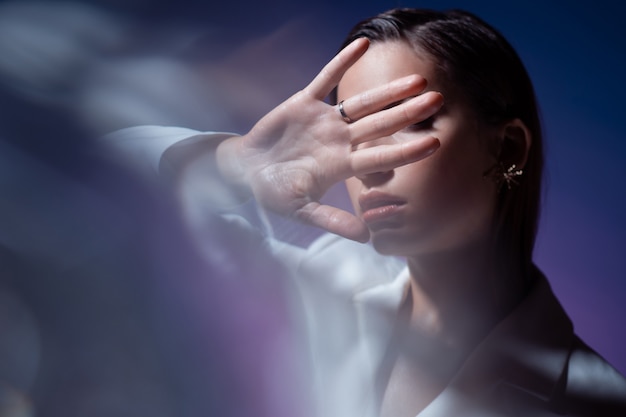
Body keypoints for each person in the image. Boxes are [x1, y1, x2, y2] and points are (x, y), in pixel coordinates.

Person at [105, 8, 626, 417]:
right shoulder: (323, 280)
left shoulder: (594, 403)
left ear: (508, 149)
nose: (367, 167)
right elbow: (96, 163)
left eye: (407, 123)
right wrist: (237, 163)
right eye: (352, 129)